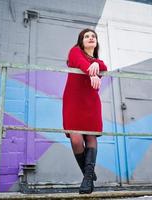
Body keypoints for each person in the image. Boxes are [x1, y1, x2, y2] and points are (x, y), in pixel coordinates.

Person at [62, 28, 108, 194]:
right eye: (86, 36)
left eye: (93, 36)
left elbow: (104, 66)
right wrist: (92, 72)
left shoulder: (97, 61)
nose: (90, 38)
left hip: (91, 104)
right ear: (81, 41)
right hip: (73, 102)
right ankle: (88, 173)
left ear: (96, 42)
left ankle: (87, 180)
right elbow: (81, 63)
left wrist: (96, 63)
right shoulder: (74, 52)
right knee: (75, 140)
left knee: (90, 137)